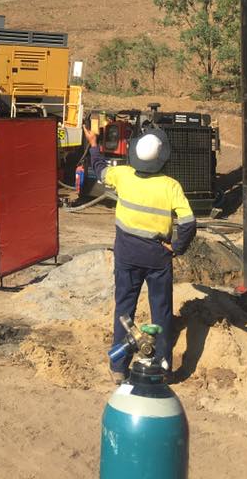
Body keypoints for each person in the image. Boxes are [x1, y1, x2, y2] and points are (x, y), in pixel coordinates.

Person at [84, 125, 196, 383]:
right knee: (161, 312)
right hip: (157, 258)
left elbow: (100, 169)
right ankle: (164, 368)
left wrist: (93, 144)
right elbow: (189, 223)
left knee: (124, 310)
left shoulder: (122, 175)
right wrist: (177, 248)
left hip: (127, 255)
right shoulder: (171, 186)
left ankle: (119, 366)